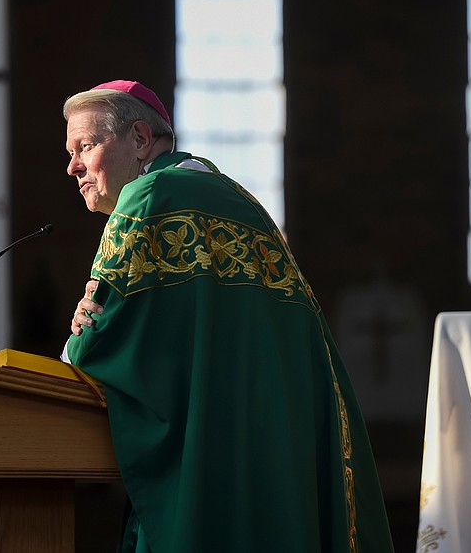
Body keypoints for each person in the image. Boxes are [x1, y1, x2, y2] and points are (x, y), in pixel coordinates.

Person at [61, 79, 394, 552]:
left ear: (138, 139)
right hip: (282, 434)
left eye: (85, 147)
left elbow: (96, 340)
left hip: (213, 446)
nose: (72, 166)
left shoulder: (148, 198)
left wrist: (76, 343)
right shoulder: (236, 199)